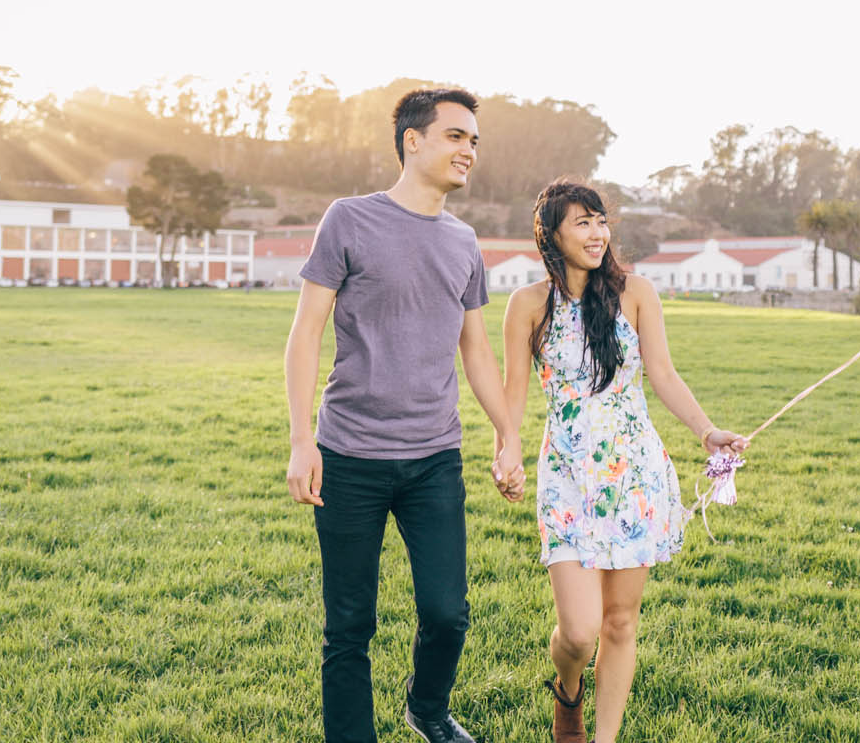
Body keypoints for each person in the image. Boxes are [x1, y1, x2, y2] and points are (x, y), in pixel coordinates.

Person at [284, 87, 526, 743]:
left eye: (474, 139)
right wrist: (302, 439)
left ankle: (427, 706)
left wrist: (508, 435)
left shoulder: (463, 241)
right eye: (455, 136)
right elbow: (306, 333)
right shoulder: (349, 220)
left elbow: (474, 350)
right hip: (350, 456)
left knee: (448, 614)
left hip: (433, 461)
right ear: (412, 141)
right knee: (349, 626)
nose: (468, 150)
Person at [500, 179, 748, 743]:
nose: (596, 233)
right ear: (551, 234)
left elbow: (661, 372)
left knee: (619, 621)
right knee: (580, 631)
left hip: (634, 472)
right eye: (581, 222)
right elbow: (515, 388)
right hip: (566, 474)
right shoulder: (528, 305)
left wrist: (706, 432)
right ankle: (568, 692)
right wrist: (505, 446)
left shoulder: (636, 292)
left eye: (600, 220)